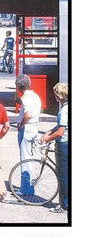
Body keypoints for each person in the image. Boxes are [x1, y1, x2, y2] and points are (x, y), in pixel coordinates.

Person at [41, 82, 68, 213]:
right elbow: (61, 127)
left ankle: (64, 205)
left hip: (64, 145)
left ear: (59, 96)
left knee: (63, 176)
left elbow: (61, 132)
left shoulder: (63, 111)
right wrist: (50, 131)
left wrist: (47, 138)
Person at [15, 74, 42, 195]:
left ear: (18, 86)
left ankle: (26, 189)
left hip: (27, 129)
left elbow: (27, 114)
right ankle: (27, 186)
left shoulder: (26, 98)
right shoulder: (34, 96)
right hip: (34, 128)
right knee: (28, 157)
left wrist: (21, 125)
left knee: (24, 158)